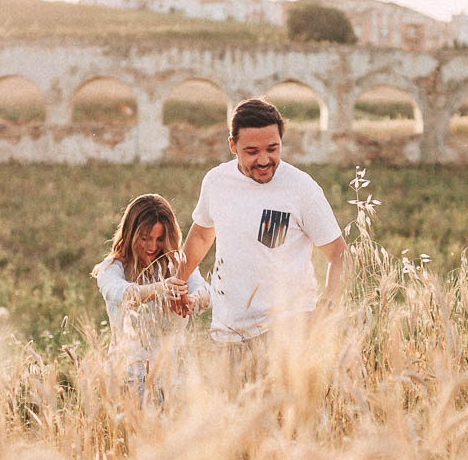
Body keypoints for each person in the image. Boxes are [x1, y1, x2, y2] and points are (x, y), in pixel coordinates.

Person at [164, 97, 347, 388]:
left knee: (285, 425)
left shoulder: (301, 188)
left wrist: (326, 308)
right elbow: (201, 234)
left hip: (287, 330)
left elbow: (339, 254)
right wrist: (180, 282)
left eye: (272, 149)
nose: (264, 160)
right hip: (228, 332)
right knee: (235, 424)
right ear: (232, 146)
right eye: (252, 151)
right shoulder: (216, 182)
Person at [93, 193, 209, 397]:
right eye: (145, 239)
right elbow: (122, 294)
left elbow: (205, 292)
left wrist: (192, 300)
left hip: (176, 381)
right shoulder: (112, 268)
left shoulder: (178, 265)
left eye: (160, 239)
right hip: (129, 379)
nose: (152, 246)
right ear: (131, 234)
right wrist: (162, 289)